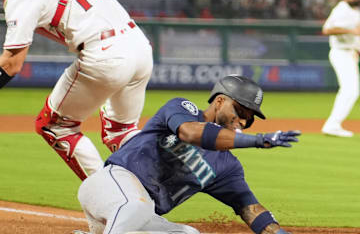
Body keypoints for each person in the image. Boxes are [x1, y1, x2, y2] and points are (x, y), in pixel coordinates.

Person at [0, 0, 153, 179]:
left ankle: (111, 200)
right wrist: (99, 13)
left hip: (106, 56)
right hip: (138, 44)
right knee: (121, 132)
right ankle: (155, 186)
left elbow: (11, 64)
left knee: (54, 126)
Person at [77, 75, 300, 234]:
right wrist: (258, 140)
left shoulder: (227, 167)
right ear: (220, 101)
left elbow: (250, 209)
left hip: (140, 212)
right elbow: (190, 133)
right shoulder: (182, 108)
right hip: (111, 185)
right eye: (241, 111)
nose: (243, 121)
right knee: (137, 205)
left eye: (249, 119)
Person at [321, 0, 360, 137]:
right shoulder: (341, 9)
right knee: (351, 90)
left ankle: (333, 124)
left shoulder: (356, 10)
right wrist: (350, 30)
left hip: (350, 54)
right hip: (340, 53)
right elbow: (327, 29)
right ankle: (332, 125)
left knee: (351, 90)